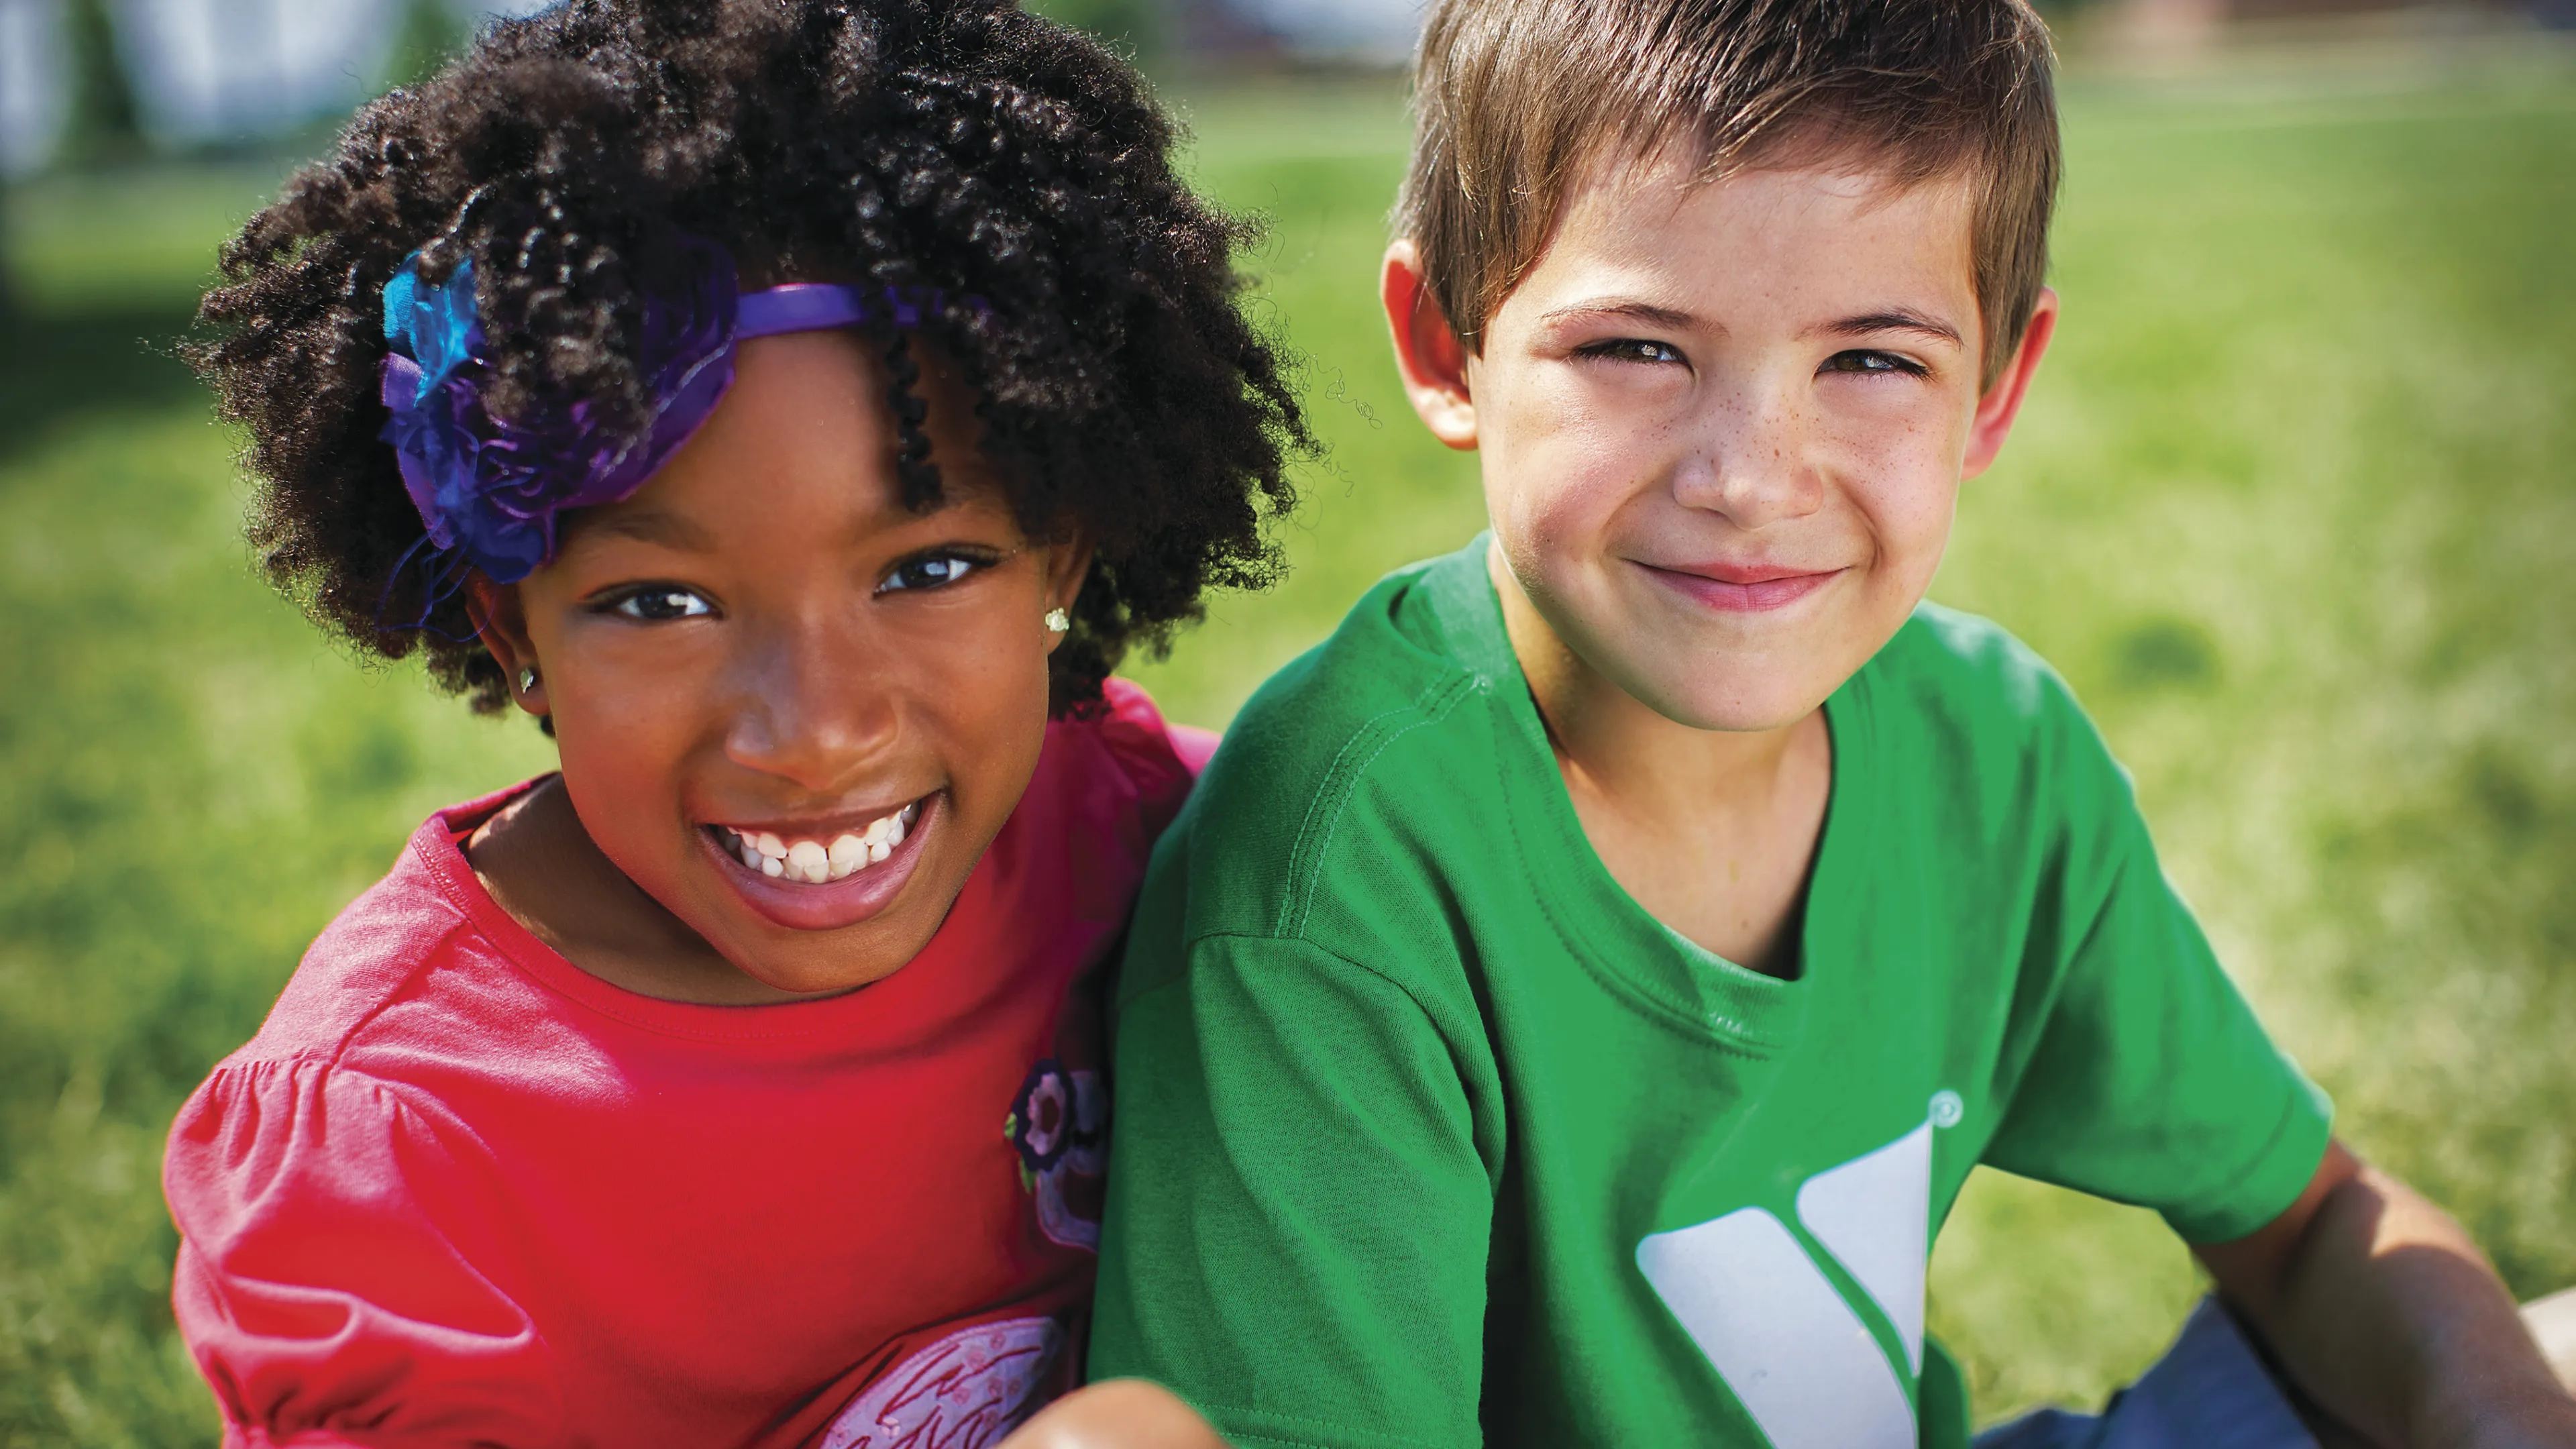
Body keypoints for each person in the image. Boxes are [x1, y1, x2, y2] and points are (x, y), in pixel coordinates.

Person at [1085, 0, 2576, 1444]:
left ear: (1992, 388)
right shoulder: (1328, 884)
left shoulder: (1989, 750)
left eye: (1870, 361)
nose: (1752, 474)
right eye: (1638, 350)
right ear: (1444, 344)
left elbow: (2311, 1221)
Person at [161, 2, 1291, 1444]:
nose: (816, 732)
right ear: (513, 628)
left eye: (929, 570)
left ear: (1059, 561)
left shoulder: (1158, 846)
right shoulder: (394, 1158)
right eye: (659, 604)